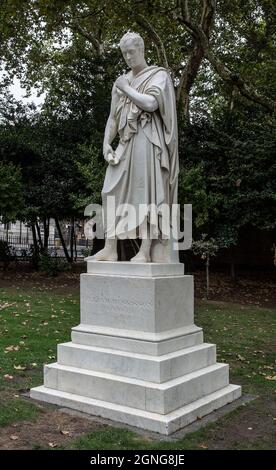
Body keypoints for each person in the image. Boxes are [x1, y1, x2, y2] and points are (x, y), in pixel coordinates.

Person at [92, 32, 179, 263]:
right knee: (109, 190)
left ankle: (145, 250)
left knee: (145, 192)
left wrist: (126, 88)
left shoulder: (158, 75)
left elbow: (151, 104)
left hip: (147, 138)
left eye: (132, 52)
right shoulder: (120, 82)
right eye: (124, 54)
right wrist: (105, 144)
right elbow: (112, 118)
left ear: (142, 49)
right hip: (125, 141)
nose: (128, 57)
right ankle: (110, 248)